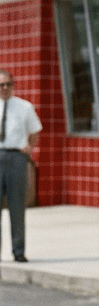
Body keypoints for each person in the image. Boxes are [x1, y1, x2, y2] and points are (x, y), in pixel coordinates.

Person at [0, 69, 42, 263]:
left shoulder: (24, 107)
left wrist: (30, 147)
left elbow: (35, 130)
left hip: (16, 157)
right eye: (1, 85)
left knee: (17, 206)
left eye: (9, 84)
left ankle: (19, 251)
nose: (5, 88)